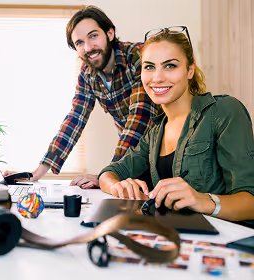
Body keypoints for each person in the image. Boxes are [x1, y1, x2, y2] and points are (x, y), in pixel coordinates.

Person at [98, 26, 254, 222]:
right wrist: (116, 186)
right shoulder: (154, 133)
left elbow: (251, 202)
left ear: (190, 70)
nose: (157, 77)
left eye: (170, 65)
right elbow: (110, 172)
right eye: (149, 66)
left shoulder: (224, 111)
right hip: (175, 239)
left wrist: (202, 201)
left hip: (224, 243)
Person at [4, 6, 160, 188]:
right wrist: (36, 173)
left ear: (109, 33)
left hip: (165, 153)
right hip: (133, 159)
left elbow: (139, 119)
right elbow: (74, 120)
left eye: (93, 36)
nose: (88, 47)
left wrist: (108, 175)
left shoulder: (138, 57)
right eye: (79, 43)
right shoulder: (87, 74)